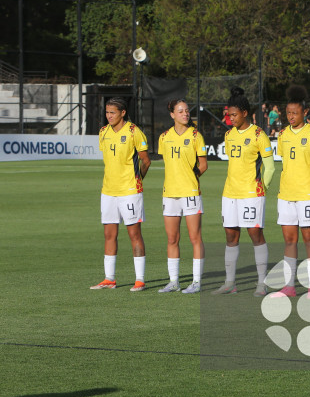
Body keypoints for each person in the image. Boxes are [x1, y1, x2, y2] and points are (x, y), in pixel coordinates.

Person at [214, 88, 275, 295]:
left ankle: (261, 283)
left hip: (251, 193)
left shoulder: (259, 134)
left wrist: (262, 188)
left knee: (255, 234)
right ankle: (230, 283)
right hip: (230, 193)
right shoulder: (229, 135)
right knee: (231, 237)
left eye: (234, 115)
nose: (230, 119)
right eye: (229, 115)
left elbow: (270, 166)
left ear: (245, 113)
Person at [270, 86, 310, 298]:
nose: (291, 117)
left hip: (308, 194)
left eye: (295, 113)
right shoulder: (283, 134)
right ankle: (289, 285)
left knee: (309, 239)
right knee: (289, 241)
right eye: (288, 113)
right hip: (286, 195)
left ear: (305, 112)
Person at [91, 98, 151, 291]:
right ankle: (109, 278)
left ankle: (140, 279)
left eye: (113, 113)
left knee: (134, 234)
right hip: (108, 191)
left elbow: (146, 161)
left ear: (123, 113)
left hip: (130, 191)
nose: (109, 116)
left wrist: (138, 179)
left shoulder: (134, 132)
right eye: (107, 112)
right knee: (109, 234)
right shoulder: (103, 132)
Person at [156, 99, 208, 294]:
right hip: (169, 194)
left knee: (195, 238)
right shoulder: (164, 137)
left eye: (187, 111)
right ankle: (174, 281)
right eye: (181, 111)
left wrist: (190, 179)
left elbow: (203, 165)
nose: (185, 114)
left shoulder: (196, 136)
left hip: (190, 193)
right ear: (172, 115)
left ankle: (196, 282)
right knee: (172, 239)